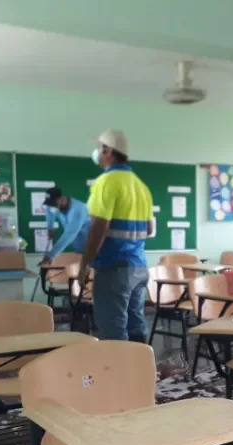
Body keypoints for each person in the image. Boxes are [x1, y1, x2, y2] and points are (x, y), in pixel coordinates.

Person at [77, 130, 154, 343]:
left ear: (108, 151)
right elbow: (149, 229)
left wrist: (84, 264)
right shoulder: (141, 185)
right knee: (135, 324)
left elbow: (99, 226)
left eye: (100, 148)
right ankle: (141, 371)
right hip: (138, 267)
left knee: (113, 331)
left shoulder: (106, 181)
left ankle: (119, 375)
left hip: (114, 268)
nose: (97, 154)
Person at [39, 187, 91, 266]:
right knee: (77, 258)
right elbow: (49, 213)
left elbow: (69, 234)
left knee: (87, 260)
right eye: (50, 204)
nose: (51, 207)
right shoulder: (56, 205)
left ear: (61, 199)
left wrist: (51, 255)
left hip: (88, 236)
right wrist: (50, 228)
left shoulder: (77, 210)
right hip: (74, 239)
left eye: (53, 204)